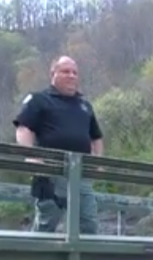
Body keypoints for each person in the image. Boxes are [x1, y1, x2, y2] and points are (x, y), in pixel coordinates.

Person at [13, 55, 103, 234]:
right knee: (47, 223)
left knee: (89, 224)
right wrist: (31, 157)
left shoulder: (84, 105)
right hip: (50, 172)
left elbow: (96, 138)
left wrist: (97, 163)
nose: (71, 76)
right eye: (65, 71)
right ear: (53, 74)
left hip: (81, 174)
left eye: (75, 72)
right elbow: (24, 129)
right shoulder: (39, 99)